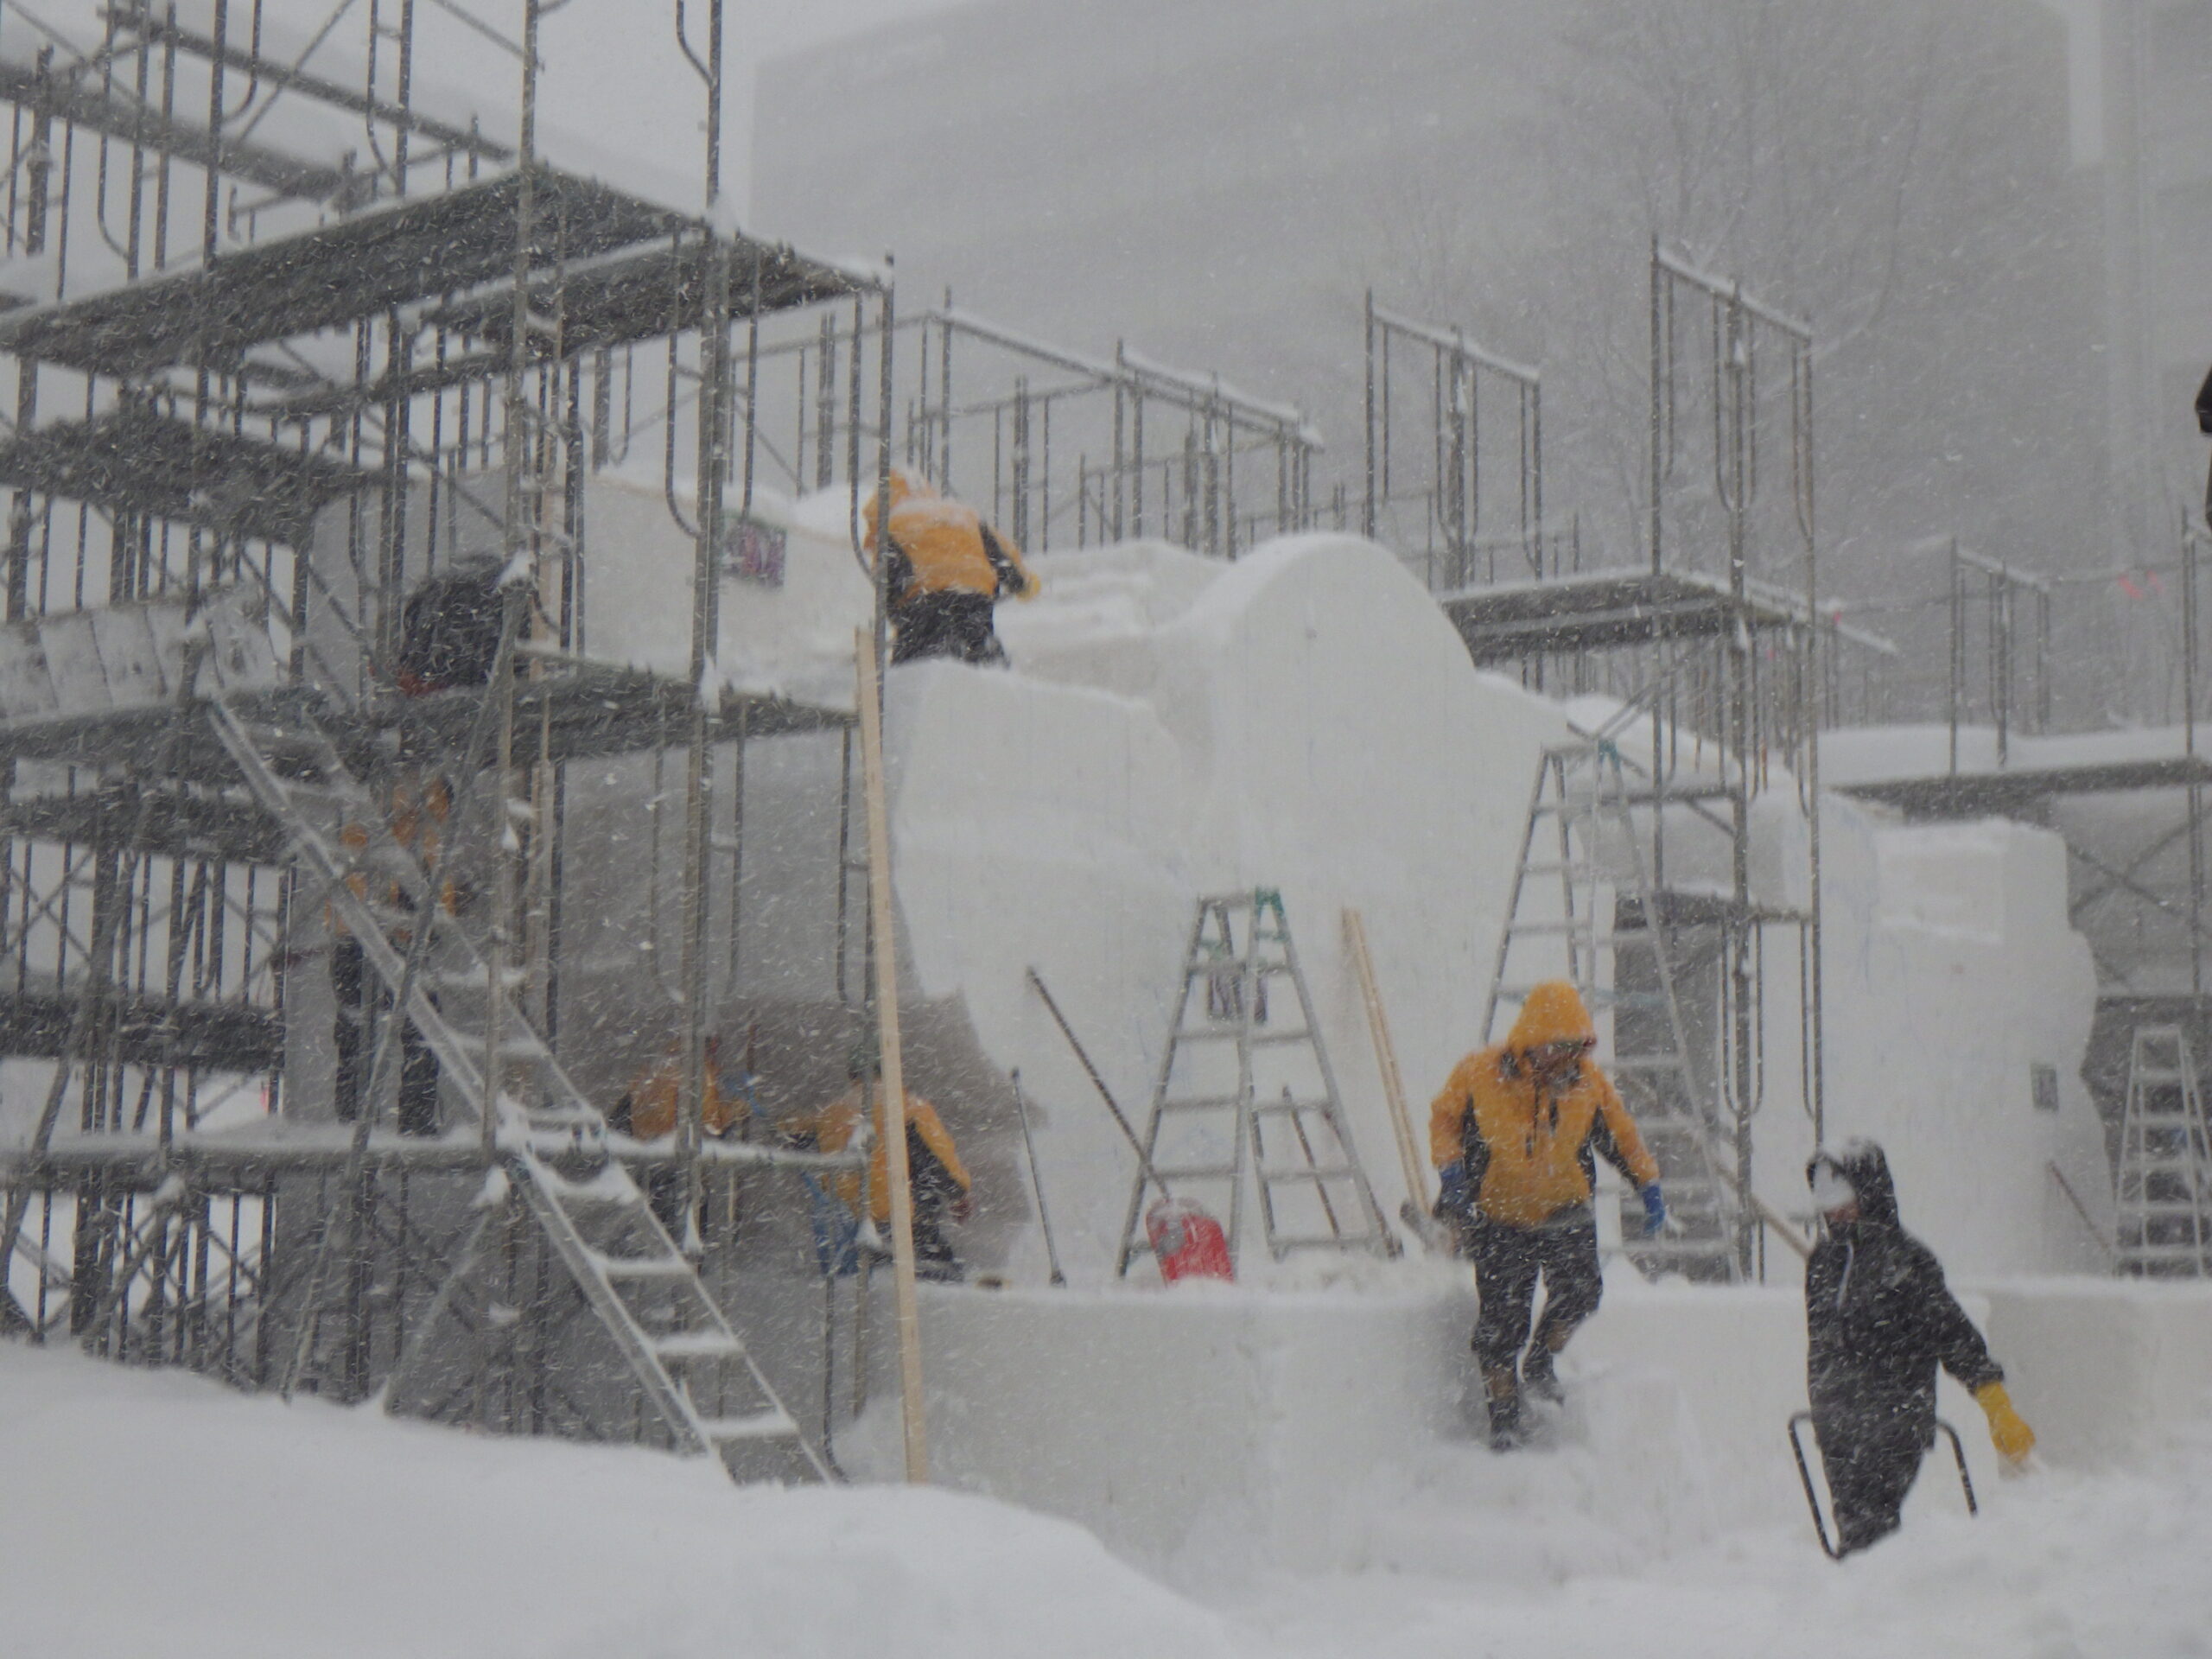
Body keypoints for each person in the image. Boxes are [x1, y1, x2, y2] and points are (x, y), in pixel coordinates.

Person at [1429, 980, 1666, 1449]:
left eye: (1574, 1048)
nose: (1565, 1059)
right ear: (1531, 1040)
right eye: (1556, 1047)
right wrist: (1452, 1173)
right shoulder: (1480, 1074)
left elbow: (1622, 1136)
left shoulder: (1588, 1085)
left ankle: (1541, 1362)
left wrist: (1648, 1184)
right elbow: (1445, 1119)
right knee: (1501, 1323)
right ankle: (1504, 1417)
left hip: (1564, 1212)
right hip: (1499, 1218)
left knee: (1580, 1295)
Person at [1803, 1140, 2036, 1556]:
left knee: (1868, 1530)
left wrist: (1993, 1400)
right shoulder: (1823, 1264)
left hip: (1894, 1419)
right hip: (1838, 1422)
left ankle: (1866, 1604)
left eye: (1843, 1200)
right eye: (1826, 1201)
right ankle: (1868, 1601)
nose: (1834, 1212)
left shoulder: (1907, 1262)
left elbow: (1952, 1332)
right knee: (1856, 1530)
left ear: (1869, 1193)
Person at [785, 1041, 973, 1281]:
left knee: (873, 1283)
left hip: (853, 1226)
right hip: (905, 1222)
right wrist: (958, 1193)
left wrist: (785, 1125)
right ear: (892, 1067)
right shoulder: (909, 1108)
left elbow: (797, 1136)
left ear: (852, 1072)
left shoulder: (832, 1114)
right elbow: (937, 1158)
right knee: (943, 1280)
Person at [861, 467, 1038, 665]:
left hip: (924, 606)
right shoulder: (965, 516)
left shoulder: (891, 526)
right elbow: (1004, 558)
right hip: (974, 600)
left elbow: (892, 581)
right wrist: (1024, 585)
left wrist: (900, 616)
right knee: (980, 660)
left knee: (914, 670)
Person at [609, 1036, 746, 1236]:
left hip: (649, 1160)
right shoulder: (697, 1070)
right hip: (677, 1164)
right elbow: (711, 1122)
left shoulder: (654, 1067)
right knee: (683, 1233)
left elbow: (624, 1110)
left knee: (647, 1229)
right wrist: (735, 1110)